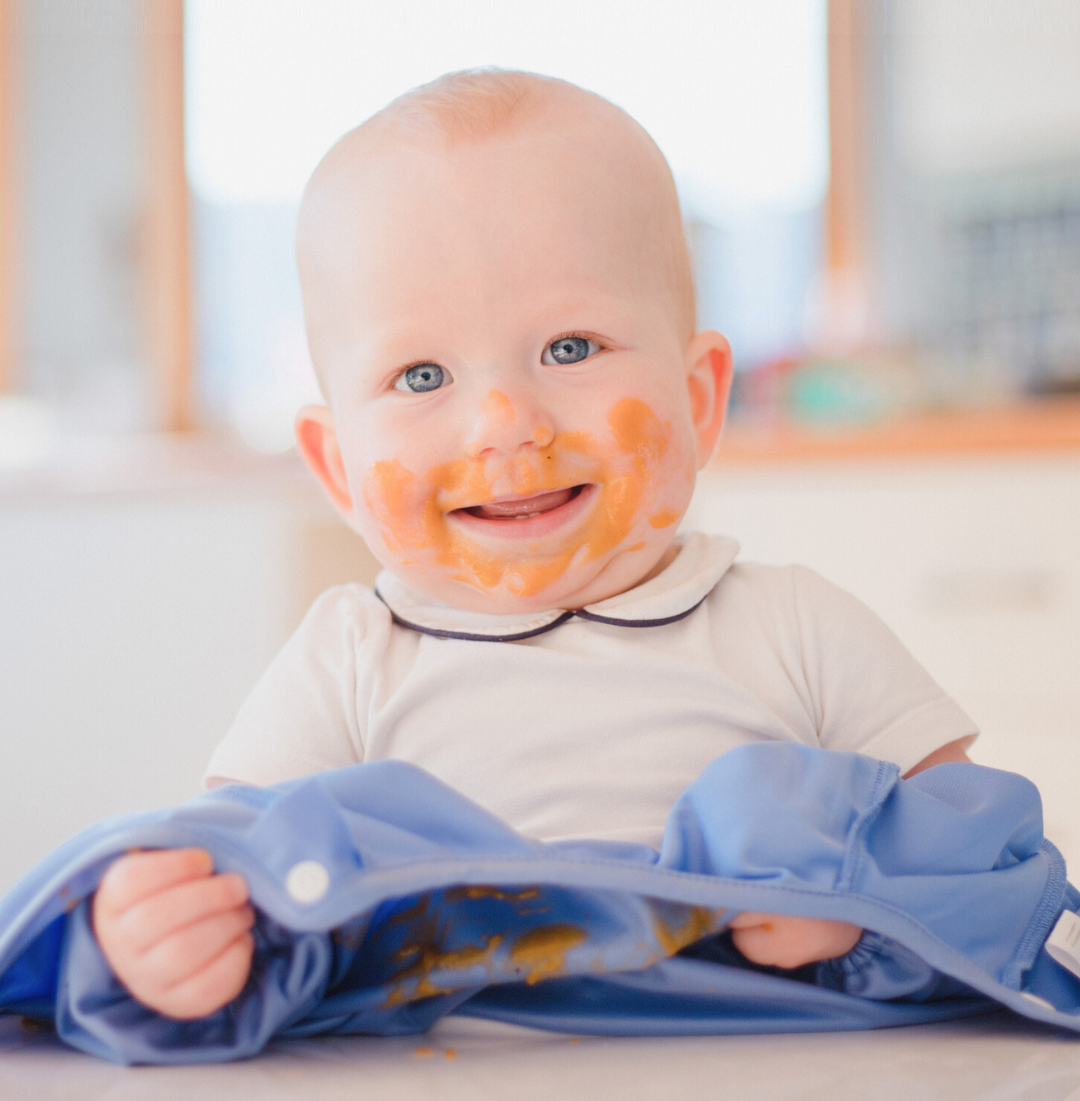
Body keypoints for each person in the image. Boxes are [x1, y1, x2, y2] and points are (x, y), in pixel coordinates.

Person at [92, 70, 977, 1022]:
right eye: (421, 373)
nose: (505, 423)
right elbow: (233, 876)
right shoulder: (349, 661)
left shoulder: (797, 630)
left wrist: (858, 905)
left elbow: (987, 866)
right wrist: (163, 940)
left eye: (570, 348)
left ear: (700, 399)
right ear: (339, 468)